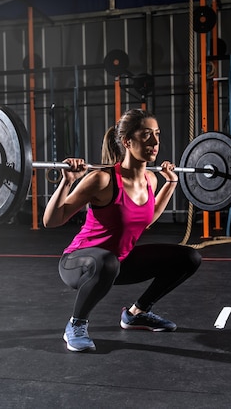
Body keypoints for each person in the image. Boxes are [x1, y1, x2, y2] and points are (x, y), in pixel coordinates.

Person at [43, 108, 202, 352]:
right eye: (146, 135)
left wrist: (171, 183)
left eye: (157, 134)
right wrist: (68, 181)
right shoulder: (102, 180)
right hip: (79, 263)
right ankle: (76, 325)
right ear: (127, 141)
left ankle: (137, 313)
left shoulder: (151, 180)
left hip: (117, 262)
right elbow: (52, 221)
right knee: (107, 261)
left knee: (189, 257)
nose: (155, 142)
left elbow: (146, 219)